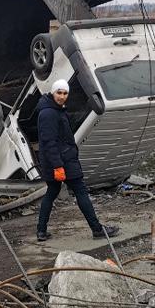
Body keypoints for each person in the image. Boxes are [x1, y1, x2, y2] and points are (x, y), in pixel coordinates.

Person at [36, 79, 119, 242]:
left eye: (65, 93)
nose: (62, 96)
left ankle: (41, 231)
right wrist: (58, 166)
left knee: (51, 193)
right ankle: (97, 229)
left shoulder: (56, 110)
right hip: (62, 161)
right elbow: (49, 142)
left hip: (60, 160)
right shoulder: (48, 113)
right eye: (59, 93)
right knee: (81, 192)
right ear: (53, 92)